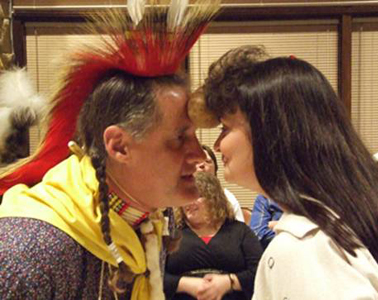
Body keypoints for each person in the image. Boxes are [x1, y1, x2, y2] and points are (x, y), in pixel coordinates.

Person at [0, 2, 220, 299]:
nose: (199, 155)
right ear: (119, 146)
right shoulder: (28, 249)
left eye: (195, 136)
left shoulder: (150, 218)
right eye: (180, 138)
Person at [193, 45, 378, 299]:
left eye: (225, 128)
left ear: (269, 132)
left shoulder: (304, 247)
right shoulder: (346, 222)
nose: (217, 145)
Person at [164, 171, 262, 300]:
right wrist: (185, 284)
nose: (189, 203)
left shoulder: (240, 231)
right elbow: (154, 275)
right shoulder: (173, 235)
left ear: (213, 198)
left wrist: (229, 282)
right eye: (185, 197)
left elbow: (260, 273)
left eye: (196, 196)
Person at [196, 144, 245, 222]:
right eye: (196, 162)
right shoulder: (179, 199)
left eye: (208, 161)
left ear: (215, 169)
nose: (202, 165)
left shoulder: (228, 199)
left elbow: (241, 232)